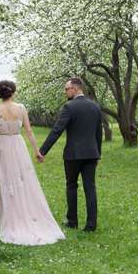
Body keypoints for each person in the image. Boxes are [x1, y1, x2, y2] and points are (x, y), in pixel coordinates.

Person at [0, 80, 65, 246]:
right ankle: (26, 216)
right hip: (18, 146)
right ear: (13, 92)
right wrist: (37, 151)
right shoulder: (21, 108)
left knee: (4, 181)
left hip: (3, 147)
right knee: (23, 181)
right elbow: (29, 131)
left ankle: (8, 218)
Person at [36, 77, 102, 231]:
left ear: (76, 88)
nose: (65, 92)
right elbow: (99, 133)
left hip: (73, 154)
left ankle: (72, 221)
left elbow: (57, 130)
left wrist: (42, 151)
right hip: (91, 154)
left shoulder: (69, 107)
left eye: (66, 89)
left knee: (71, 186)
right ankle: (91, 225)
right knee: (90, 188)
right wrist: (98, 153)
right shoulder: (95, 107)